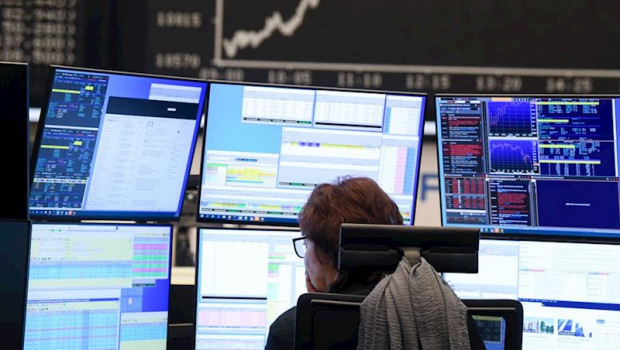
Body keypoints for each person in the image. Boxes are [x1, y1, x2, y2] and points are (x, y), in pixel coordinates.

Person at [265, 176, 403, 349]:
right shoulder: (421, 314)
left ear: (329, 253)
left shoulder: (290, 330)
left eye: (307, 243)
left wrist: (317, 305)